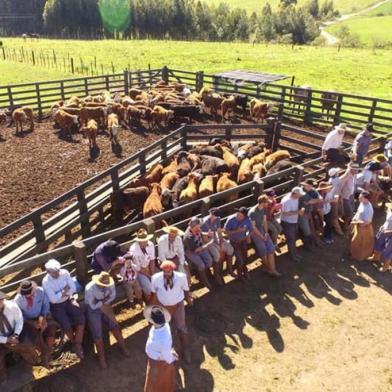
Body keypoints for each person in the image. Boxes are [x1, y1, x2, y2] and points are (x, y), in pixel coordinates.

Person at [85, 272, 129, 369]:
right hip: (93, 310)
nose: (104, 286)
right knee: (97, 334)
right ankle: (101, 358)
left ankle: (123, 347)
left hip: (105, 305)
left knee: (115, 326)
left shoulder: (110, 283)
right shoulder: (90, 289)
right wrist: (104, 300)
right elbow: (92, 305)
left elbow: (112, 296)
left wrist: (102, 301)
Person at [42, 259, 85, 359]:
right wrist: (64, 291)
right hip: (56, 306)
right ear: (48, 272)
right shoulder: (46, 281)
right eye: (54, 272)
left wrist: (60, 295)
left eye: (58, 271)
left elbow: (73, 288)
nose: (57, 273)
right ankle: (75, 343)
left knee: (81, 319)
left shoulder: (64, 273)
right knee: (66, 325)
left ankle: (77, 344)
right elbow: (52, 300)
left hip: (67, 301)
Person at [151, 260, 193, 363]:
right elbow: (153, 294)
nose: (166, 273)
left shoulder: (181, 277)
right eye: (164, 271)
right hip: (163, 307)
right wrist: (153, 310)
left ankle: (186, 349)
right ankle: (169, 350)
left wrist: (188, 300)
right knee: (165, 331)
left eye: (169, 271)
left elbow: (186, 290)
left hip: (178, 305)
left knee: (181, 327)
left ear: (173, 270)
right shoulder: (155, 278)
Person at [15, 280, 57, 368]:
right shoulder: (18, 300)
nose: (28, 295)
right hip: (28, 321)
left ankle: (47, 353)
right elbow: (19, 316)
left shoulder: (40, 291)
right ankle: (44, 356)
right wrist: (32, 322)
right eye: (25, 293)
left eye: (30, 292)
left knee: (51, 329)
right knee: (35, 338)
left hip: (41, 316)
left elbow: (45, 305)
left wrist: (43, 317)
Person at [0, 291, 39, 383]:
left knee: (28, 344)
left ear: (3, 300)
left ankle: (29, 364)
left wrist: (16, 334)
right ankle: (2, 373)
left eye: (0, 300)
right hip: (1, 338)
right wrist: (6, 340)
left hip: (15, 332)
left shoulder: (12, 306)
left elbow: (19, 320)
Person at [144, 305, 177, 392]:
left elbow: (167, 356)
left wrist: (172, 358)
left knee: (158, 383)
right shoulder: (164, 326)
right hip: (156, 359)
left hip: (160, 363)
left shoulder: (164, 339)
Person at [249, 195, 281, 277]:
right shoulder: (253, 212)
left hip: (262, 230)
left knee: (271, 248)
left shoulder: (263, 209)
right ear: (263, 203)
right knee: (263, 250)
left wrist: (266, 232)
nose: (268, 204)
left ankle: (272, 269)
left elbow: (264, 221)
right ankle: (270, 269)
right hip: (255, 233)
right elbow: (253, 227)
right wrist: (261, 236)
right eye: (267, 202)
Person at [201, 207, 235, 280]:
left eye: (216, 216)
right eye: (214, 216)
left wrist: (221, 242)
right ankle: (217, 274)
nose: (215, 218)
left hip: (215, 237)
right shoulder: (204, 223)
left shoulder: (218, 219)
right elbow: (205, 239)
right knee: (217, 255)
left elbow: (219, 231)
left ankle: (230, 269)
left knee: (230, 249)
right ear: (210, 214)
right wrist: (216, 245)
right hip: (207, 241)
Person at [183, 217, 215, 290]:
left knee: (209, 261)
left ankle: (203, 272)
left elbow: (200, 233)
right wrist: (209, 244)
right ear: (194, 226)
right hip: (191, 251)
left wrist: (207, 234)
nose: (200, 227)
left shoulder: (196, 228)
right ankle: (204, 280)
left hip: (200, 246)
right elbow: (196, 250)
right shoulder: (188, 237)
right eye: (198, 225)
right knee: (201, 264)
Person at [224, 207, 253, 281]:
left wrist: (248, 235)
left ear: (244, 216)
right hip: (234, 241)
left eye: (240, 216)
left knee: (244, 257)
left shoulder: (247, 220)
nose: (238, 216)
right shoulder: (231, 219)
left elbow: (250, 229)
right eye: (238, 214)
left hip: (243, 241)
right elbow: (225, 232)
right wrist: (237, 231)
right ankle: (240, 275)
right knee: (240, 259)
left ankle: (244, 270)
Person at [129, 229, 157, 303]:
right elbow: (138, 268)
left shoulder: (150, 244)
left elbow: (152, 260)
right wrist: (149, 276)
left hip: (148, 266)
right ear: (138, 241)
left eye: (146, 240)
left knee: (158, 281)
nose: (146, 242)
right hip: (138, 271)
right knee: (148, 287)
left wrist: (153, 273)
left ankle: (159, 301)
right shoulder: (133, 250)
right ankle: (150, 303)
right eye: (143, 240)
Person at [280, 186, 305, 262]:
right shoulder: (287, 201)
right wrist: (298, 212)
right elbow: (285, 213)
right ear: (295, 194)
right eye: (299, 194)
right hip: (287, 222)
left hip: (293, 221)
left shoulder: (295, 198)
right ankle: (292, 255)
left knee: (293, 238)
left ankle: (294, 253)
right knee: (291, 239)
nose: (300, 196)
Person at [299, 179, 323, 249]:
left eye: (310, 185)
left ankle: (313, 243)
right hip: (303, 214)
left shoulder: (312, 190)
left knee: (313, 226)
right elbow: (311, 201)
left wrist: (313, 201)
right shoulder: (302, 193)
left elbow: (320, 198)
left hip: (309, 212)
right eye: (308, 185)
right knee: (306, 230)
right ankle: (308, 245)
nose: (310, 187)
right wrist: (315, 201)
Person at [350, 191, 374, 261]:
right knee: (355, 242)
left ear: (366, 199)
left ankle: (360, 256)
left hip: (364, 228)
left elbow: (368, 221)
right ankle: (354, 254)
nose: (358, 198)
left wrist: (356, 222)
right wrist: (355, 219)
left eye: (360, 197)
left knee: (361, 243)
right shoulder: (362, 203)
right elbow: (358, 212)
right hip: (358, 225)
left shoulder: (368, 209)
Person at [369, 204, 392, 272]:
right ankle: (375, 258)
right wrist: (383, 227)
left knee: (388, 251)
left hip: (390, 235)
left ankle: (386, 266)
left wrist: (389, 232)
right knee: (378, 245)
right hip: (383, 230)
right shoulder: (389, 210)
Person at [339, 162, 360, 232]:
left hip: (350, 195)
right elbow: (340, 186)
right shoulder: (346, 176)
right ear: (351, 169)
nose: (357, 170)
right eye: (355, 169)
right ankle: (345, 225)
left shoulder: (354, 175)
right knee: (349, 212)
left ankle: (345, 221)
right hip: (345, 196)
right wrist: (340, 197)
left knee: (352, 208)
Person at [327, 167, 344, 235]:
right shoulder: (337, 180)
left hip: (334, 198)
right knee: (335, 215)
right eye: (337, 172)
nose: (338, 173)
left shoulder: (330, 179)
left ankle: (336, 224)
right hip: (334, 199)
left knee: (337, 213)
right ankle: (338, 229)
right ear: (336, 174)